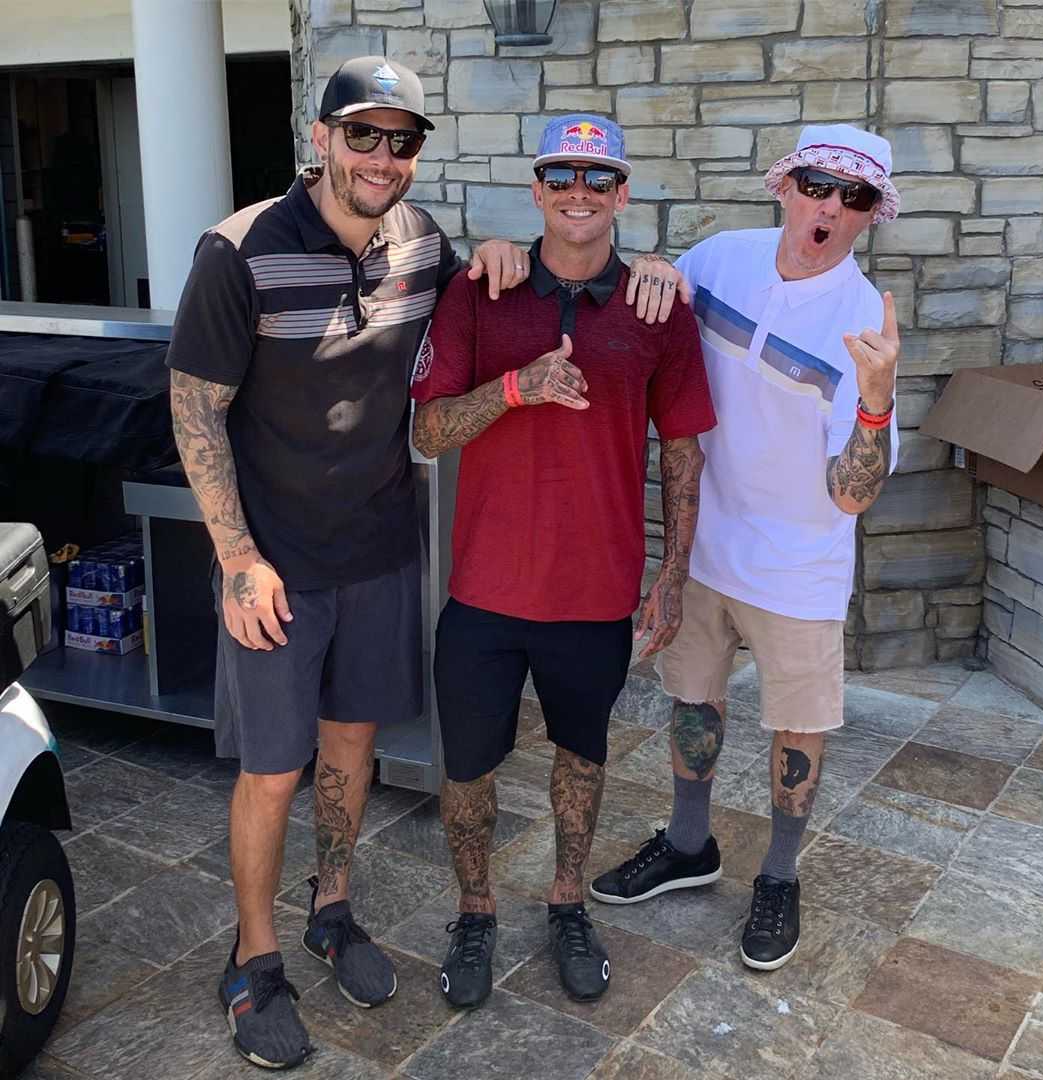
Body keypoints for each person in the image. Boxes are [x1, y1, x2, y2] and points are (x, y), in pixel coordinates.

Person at [166, 56, 553, 1070]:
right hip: (276, 569)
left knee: (351, 758)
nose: (384, 156)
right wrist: (237, 558)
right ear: (320, 140)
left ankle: (330, 910)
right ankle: (254, 959)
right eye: (363, 134)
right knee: (273, 771)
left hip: (380, 551)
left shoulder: (422, 247)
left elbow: (485, 307)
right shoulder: (239, 252)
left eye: (404, 139)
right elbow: (194, 411)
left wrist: (513, 252)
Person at [410, 113, 717, 1009]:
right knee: (466, 772)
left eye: (597, 178)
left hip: (594, 593)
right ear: (537, 192)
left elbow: (683, 452)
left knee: (581, 760)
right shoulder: (479, 292)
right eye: (560, 176)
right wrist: (517, 387)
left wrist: (673, 573)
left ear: (622, 194)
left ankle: (567, 902)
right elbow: (429, 433)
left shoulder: (659, 308)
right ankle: (475, 912)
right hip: (484, 592)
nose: (578, 192)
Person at [590, 124, 902, 975]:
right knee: (692, 701)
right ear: (784, 186)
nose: (830, 206)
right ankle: (690, 845)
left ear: (871, 216)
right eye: (817, 185)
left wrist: (874, 400)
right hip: (704, 542)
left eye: (855, 197)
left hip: (798, 565)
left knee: (796, 727)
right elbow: (642, 320)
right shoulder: (721, 258)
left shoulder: (862, 320)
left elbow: (852, 492)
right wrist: (651, 266)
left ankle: (777, 875)